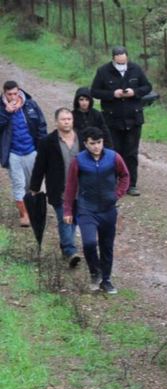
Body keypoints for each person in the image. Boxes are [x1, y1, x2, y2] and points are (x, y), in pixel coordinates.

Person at [63, 127, 129, 294]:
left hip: (108, 209)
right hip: (86, 209)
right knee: (89, 243)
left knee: (107, 246)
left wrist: (117, 194)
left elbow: (125, 176)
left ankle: (106, 280)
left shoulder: (114, 157)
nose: (96, 147)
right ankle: (95, 272)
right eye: (92, 143)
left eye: (99, 143)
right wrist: (68, 210)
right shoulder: (78, 160)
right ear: (85, 143)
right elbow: (71, 186)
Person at [90, 46, 152, 196]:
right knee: (114, 152)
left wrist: (135, 92)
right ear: (113, 59)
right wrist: (112, 94)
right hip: (112, 119)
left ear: (127, 58)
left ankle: (131, 184)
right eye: (119, 61)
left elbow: (147, 87)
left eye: (124, 61)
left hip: (134, 118)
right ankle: (114, 182)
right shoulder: (103, 71)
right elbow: (94, 91)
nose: (122, 63)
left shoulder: (136, 69)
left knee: (131, 152)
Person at [29, 108, 81, 267]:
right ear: (56, 122)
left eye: (69, 119)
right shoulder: (47, 142)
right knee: (65, 219)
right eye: (63, 119)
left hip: (81, 189)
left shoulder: (83, 139)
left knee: (75, 220)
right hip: (59, 189)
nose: (67, 122)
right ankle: (70, 250)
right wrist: (35, 187)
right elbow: (40, 166)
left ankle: (66, 247)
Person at [0, 80, 47, 227]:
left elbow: (41, 125)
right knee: (18, 184)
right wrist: (6, 113)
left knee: (35, 184)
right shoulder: (1, 108)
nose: (13, 97)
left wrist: (43, 148)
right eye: (9, 94)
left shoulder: (30, 104)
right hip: (13, 152)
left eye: (15, 93)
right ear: (4, 93)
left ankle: (37, 211)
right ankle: (24, 214)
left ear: (19, 91)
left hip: (32, 150)